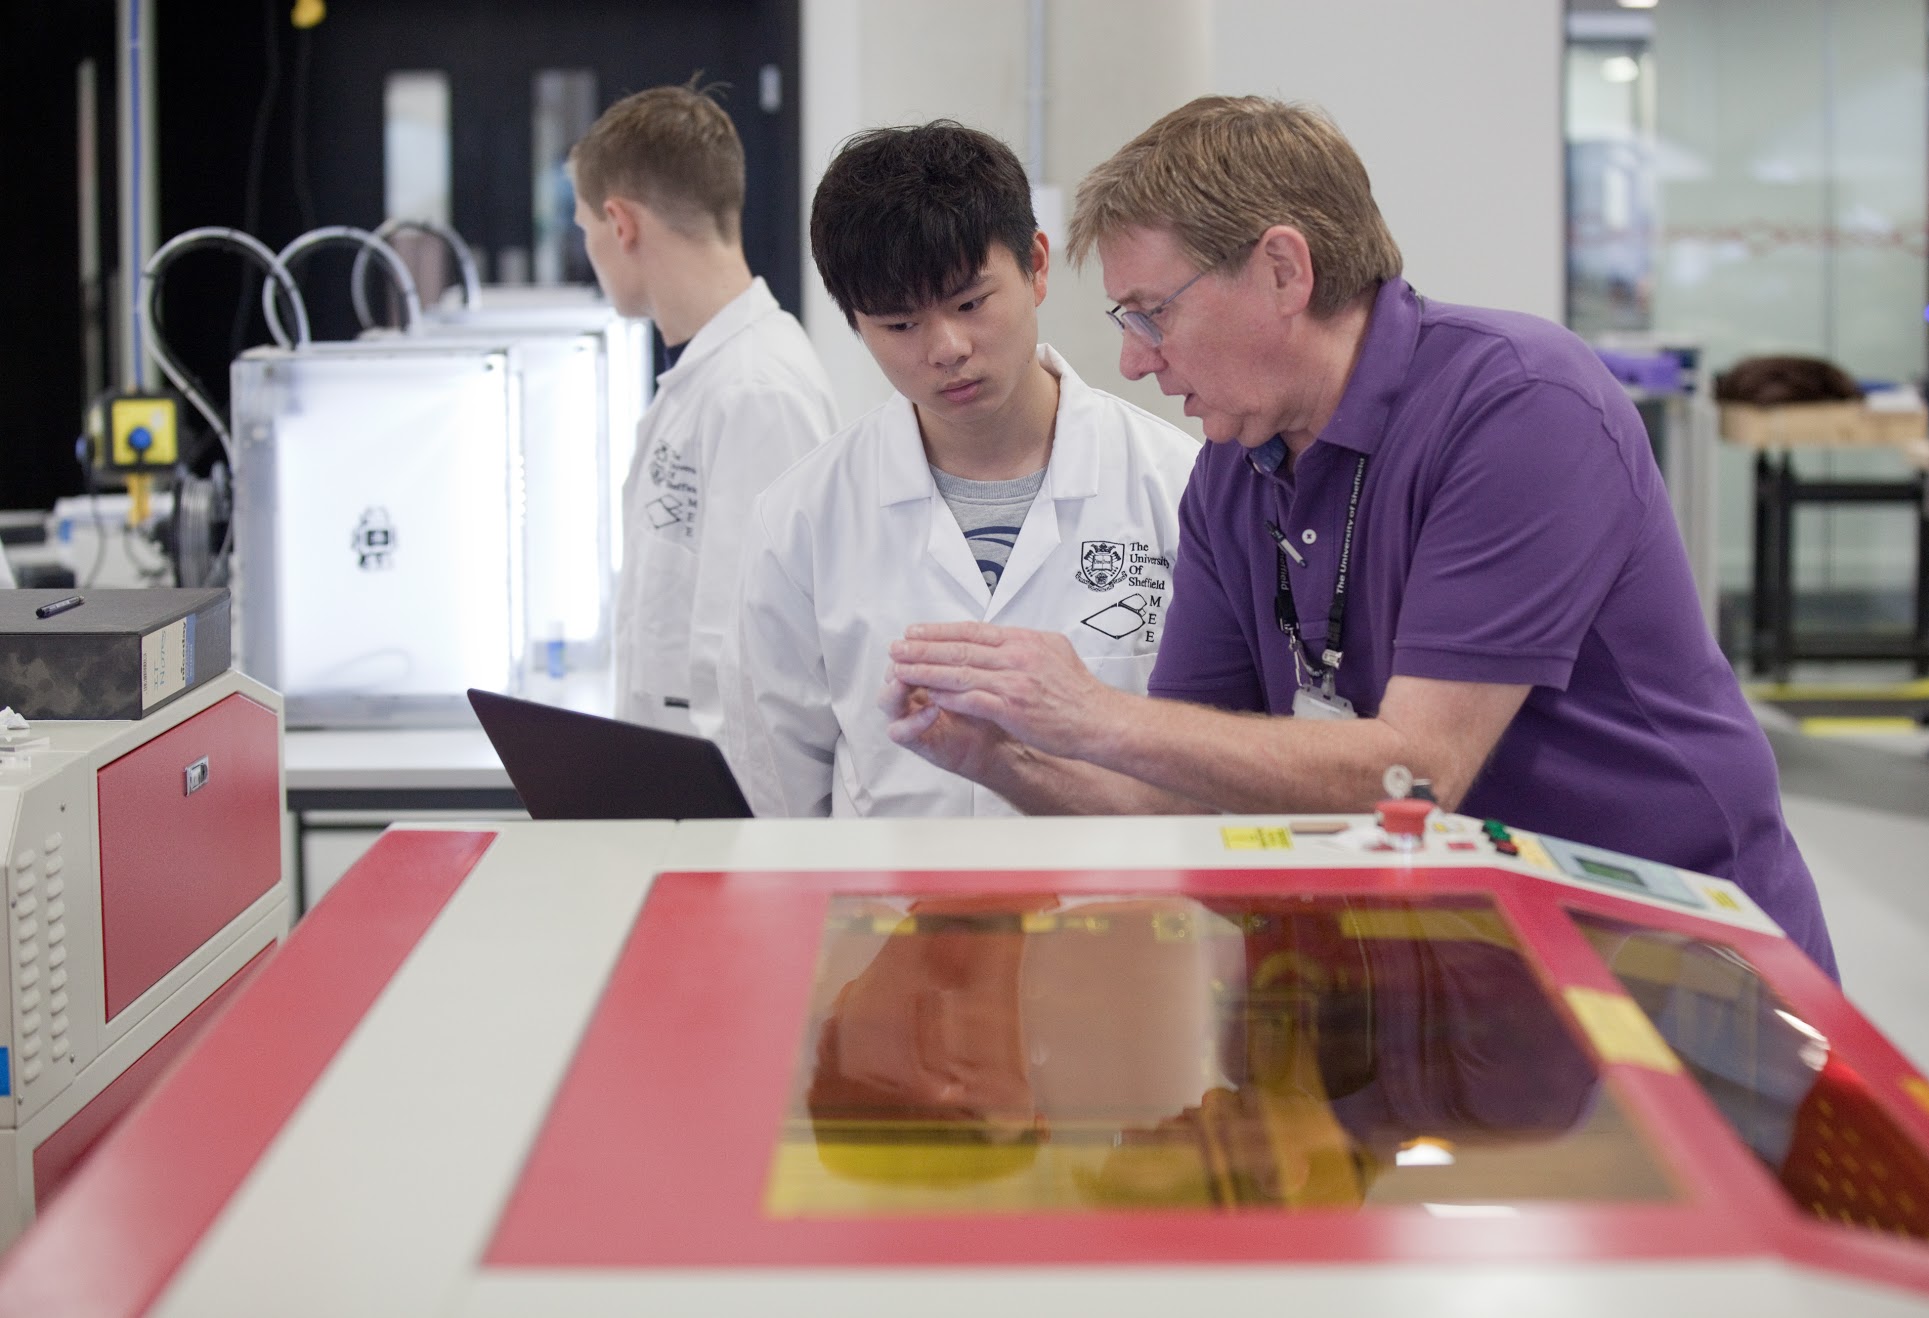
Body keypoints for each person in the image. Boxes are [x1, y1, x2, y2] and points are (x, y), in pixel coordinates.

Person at [883, 95, 1838, 978]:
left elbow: (1417, 770)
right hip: (1459, 966)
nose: (1133, 360)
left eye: (1151, 313)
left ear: (1283, 270)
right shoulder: (1233, 468)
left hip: (1669, 958)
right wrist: (1001, 758)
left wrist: (1086, 712)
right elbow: (1179, 796)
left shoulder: (1519, 406)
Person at [717, 122, 1199, 817]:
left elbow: (1216, 767)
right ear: (855, 323)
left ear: (1036, 265)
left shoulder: (1176, 484)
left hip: (1117, 912)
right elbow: (777, 796)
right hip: (885, 918)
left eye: (970, 303)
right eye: (899, 325)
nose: (946, 348)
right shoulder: (801, 518)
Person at [569, 81, 838, 739]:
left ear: (621, 223)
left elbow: (750, 660)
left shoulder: (757, 390)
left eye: (586, 230)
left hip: (723, 813)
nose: (590, 252)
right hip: (672, 793)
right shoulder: (705, 377)